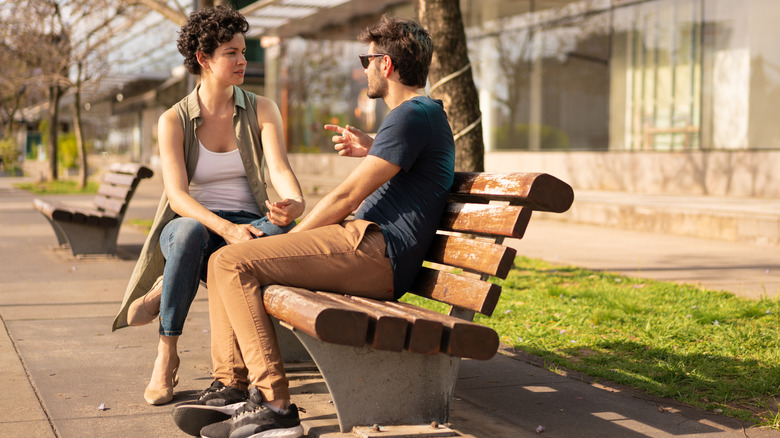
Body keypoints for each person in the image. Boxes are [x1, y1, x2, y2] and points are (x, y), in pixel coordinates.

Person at [171, 15, 455, 438]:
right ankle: (233, 385)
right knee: (223, 260)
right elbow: (417, 165)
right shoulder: (418, 115)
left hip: (375, 250)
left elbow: (344, 199)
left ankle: (274, 405)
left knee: (232, 263)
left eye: (367, 59)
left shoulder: (411, 115)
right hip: (368, 245)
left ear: (387, 64)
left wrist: (294, 236)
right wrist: (373, 146)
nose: (365, 68)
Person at [111, 5, 305, 407]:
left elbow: (281, 171)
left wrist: (294, 203)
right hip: (193, 227)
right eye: (231, 53)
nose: (242, 61)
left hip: (249, 224)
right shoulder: (173, 120)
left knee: (280, 233)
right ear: (204, 59)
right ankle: (167, 353)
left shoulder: (261, 108)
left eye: (243, 52)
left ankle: (170, 286)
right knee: (189, 232)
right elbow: (179, 197)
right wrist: (226, 228)